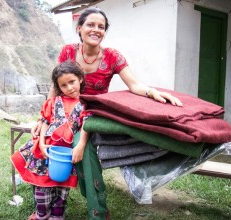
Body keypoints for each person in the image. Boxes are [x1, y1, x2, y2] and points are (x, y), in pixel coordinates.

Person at [31, 7, 183, 220]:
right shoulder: (67, 52)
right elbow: (57, 86)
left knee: (83, 151)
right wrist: (42, 117)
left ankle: (98, 212)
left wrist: (153, 93)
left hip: (93, 115)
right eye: (90, 25)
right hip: (65, 114)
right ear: (80, 28)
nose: (96, 30)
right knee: (40, 142)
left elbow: (134, 84)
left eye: (101, 27)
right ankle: (43, 201)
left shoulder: (112, 56)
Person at [11, 61, 90, 220]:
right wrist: (41, 143)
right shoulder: (53, 102)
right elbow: (46, 122)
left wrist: (81, 144)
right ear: (58, 87)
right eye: (63, 85)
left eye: (72, 82)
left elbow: (86, 126)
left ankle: (57, 216)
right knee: (41, 190)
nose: (69, 88)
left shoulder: (86, 105)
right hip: (45, 152)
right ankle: (41, 214)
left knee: (62, 191)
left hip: (66, 155)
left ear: (80, 79)